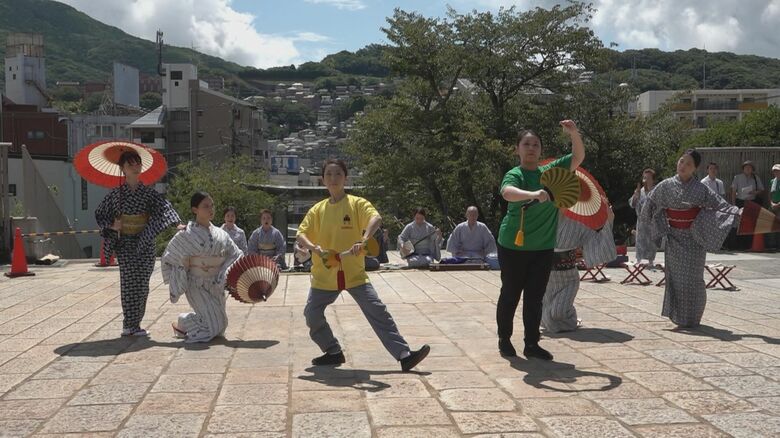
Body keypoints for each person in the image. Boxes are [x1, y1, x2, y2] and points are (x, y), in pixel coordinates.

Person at [296, 159, 430, 372]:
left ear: (345, 178)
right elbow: (301, 233)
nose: (333, 178)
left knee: (377, 310)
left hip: (353, 273)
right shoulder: (317, 210)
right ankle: (333, 351)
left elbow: (375, 217)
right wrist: (315, 248)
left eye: (338, 174)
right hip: (324, 275)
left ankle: (404, 355)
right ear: (323, 180)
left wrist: (364, 238)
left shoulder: (357, 204)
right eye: (329, 174)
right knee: (312, 314)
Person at [496, 120, 585, 360]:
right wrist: (533, 194)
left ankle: (531, 344)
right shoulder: (515, 174)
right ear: (517, 149)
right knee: (511, 293)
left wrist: (574, 133)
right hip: (513, 245)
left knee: (535, 297)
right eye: (526, 144)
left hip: (543, 247)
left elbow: (577, 158)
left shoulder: (550, 173)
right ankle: (504, 339)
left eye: (536, 144)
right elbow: (507, 193)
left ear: (541, 150)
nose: (531, 148)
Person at [636, 149, 741, 328]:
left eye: (688, 164)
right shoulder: (665, 185)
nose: (683, 166)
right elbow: (649, 206)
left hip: (694, 239)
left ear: (695, 169)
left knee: (694, 280)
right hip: (674, 238)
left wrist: (737, 212)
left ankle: (693, 317)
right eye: (681, 161)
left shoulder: (701, 189)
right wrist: (657, 220)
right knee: (676, 279)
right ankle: (679, 317)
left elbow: (721, 206)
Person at [95, 150, 181, 337]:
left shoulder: (148, 194)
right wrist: (113, 225)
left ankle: (136, 323)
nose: (135, 166)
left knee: (142, 283)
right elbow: (100, 214)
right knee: (129, 282)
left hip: (144, 241)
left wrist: (176, 222)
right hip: (125, 243)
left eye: (137, 163)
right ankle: (129, 324)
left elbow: (164, 207)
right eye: (130, 164)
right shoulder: (115, 195)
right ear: (122, 169)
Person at [162, 192, 243, 343]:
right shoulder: (186, 235)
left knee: (220, 328)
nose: (210, 209)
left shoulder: (221, 234)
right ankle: (184, 321)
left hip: (216, 283)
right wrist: (182, 268)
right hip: (196, 284)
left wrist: (224, 272)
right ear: (195, 210)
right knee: (216, 324)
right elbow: (169, 258)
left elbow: (236, 254)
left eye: (212, 205)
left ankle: (186, 322)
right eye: (205, 206)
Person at [542, 206, 616, 333]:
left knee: (556, 312)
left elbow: (595, 238)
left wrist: (609, 218)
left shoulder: (578, 220)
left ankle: (571, 318)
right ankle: (560, 318)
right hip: (547, 276)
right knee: (548, 314)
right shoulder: (543, 217)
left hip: (569, 277)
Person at [731, 161, 765, 250]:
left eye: (750, 168)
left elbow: (761, 190)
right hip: (740, 202)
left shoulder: (756, 178)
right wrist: (734, 205)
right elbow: (733, 191)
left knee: (750, 223)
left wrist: (754, 192)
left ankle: (748, 245)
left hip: (752, 202)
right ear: (743, 169)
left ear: (752, 169)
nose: (748, 169)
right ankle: (737, 245)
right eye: (746, 167)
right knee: (738, 224)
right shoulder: (737, 177)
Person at [629, 168, 657, 265]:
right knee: (640, 240)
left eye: (648, 178)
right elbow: (632, 204)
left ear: (653, 180)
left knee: (651, 241)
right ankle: (639, 259)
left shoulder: (656, 191)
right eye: (644, 178)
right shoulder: (639, 191)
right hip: (641, 221)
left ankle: (651, 260)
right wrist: (636, 196)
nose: (646, 180)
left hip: (652, 221)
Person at [767, 164, 780, 250]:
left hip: (779, 205)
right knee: (771, 223)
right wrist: (771, 203)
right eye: (775, 171)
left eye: (778, 171)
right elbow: (770, 194)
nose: (776, 172)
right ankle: (772, 244)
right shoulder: (772, 181)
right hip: (773, 205)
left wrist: (778, 204)